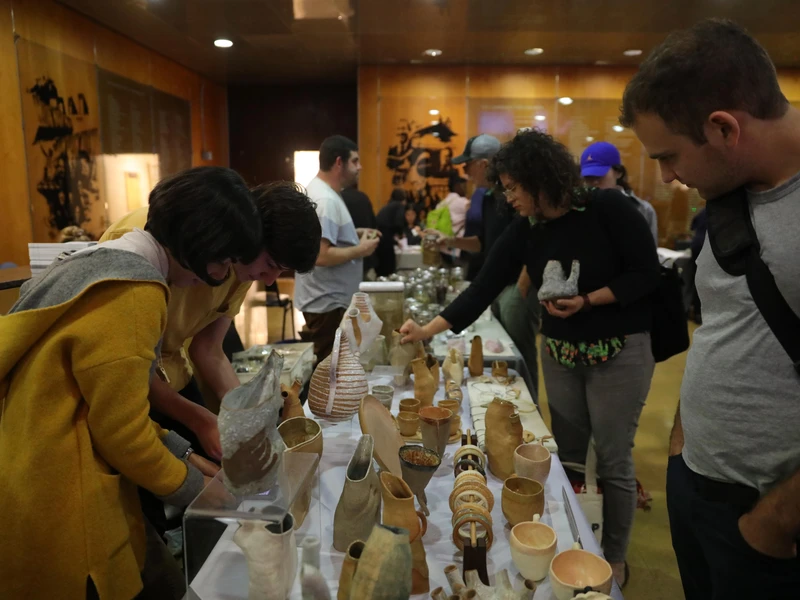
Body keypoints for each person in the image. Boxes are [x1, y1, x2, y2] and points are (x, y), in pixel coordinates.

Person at [401, 130, 660, 587]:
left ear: (539, 181)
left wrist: (589, 300)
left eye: (513, 186)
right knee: (570, 455)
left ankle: (614, 558)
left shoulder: (608, 209)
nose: (508, 196)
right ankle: (577, 541)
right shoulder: (528, 229)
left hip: (618, 353)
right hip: (560, 353)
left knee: (615, 458)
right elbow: (483, 287)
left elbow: (646, 274)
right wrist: (427, 329)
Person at [0, 167, 264, 600]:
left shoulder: (95, 263)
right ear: (199, 243)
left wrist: (186, 454)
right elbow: (123, 435)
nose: (219, 274)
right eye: (223, 260)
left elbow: (109, 403)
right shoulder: (136, 291)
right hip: (64, 498)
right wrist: (204, 492)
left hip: (31, 473)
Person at [620, 18, 800, 599]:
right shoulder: (728, 196)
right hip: (697, 482)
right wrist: (680, 448)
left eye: (670, 156)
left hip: (769, 520)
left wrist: (773, 523)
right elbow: (727, 325)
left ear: (723, 128)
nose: (669, 177)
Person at [100, 181, 321, 537]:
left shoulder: (237, 261)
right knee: (150, 510)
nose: (268, 281)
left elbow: (207, 349)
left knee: (218, 485)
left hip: (168, 374)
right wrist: (200, 426)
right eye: (270, 265)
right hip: (128, 383)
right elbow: (127, 380)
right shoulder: (154, 249)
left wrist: (247, 423)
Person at [440, 133, 541, 397]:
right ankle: (503, 402)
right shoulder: (485, 197)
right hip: (496, 285)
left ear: (484, 164)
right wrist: (450, 241)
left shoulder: (515, 196)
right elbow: (484, 244)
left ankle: (528, 410)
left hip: (516, 287)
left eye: (468, 165)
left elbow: (536, 239)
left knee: (520, 355)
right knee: (500, 352)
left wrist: (521, 287)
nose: (465, 172)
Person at [295, 135, 380, 364]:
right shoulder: (325, 200)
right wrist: (361, 250)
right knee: (331, 369)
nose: (360, 167)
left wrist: (355, 234)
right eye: (355, 161)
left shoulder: (324, 192)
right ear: (339, 162)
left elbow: (328, 240)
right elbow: (321, 255)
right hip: (328, 303)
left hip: (327, 300)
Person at [580, 141, 659, 245]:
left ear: (618, 172)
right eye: (589, 177)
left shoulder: (643, 210)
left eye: (600, 176)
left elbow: (650, 254)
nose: (595, 182)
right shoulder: (578, 210)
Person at [342, 183, 379, 278]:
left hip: (344, 255)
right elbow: (373, 224)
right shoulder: (364, 197)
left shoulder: (339, 199)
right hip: (366, 255)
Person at [375, 188, 408, 276]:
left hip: (379, 236)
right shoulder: (399, 205)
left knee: (382, 266)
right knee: (389, 265)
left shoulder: (388, 206)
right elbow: (398, 222)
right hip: (386, 237)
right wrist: (401, 234)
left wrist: (396, 241)